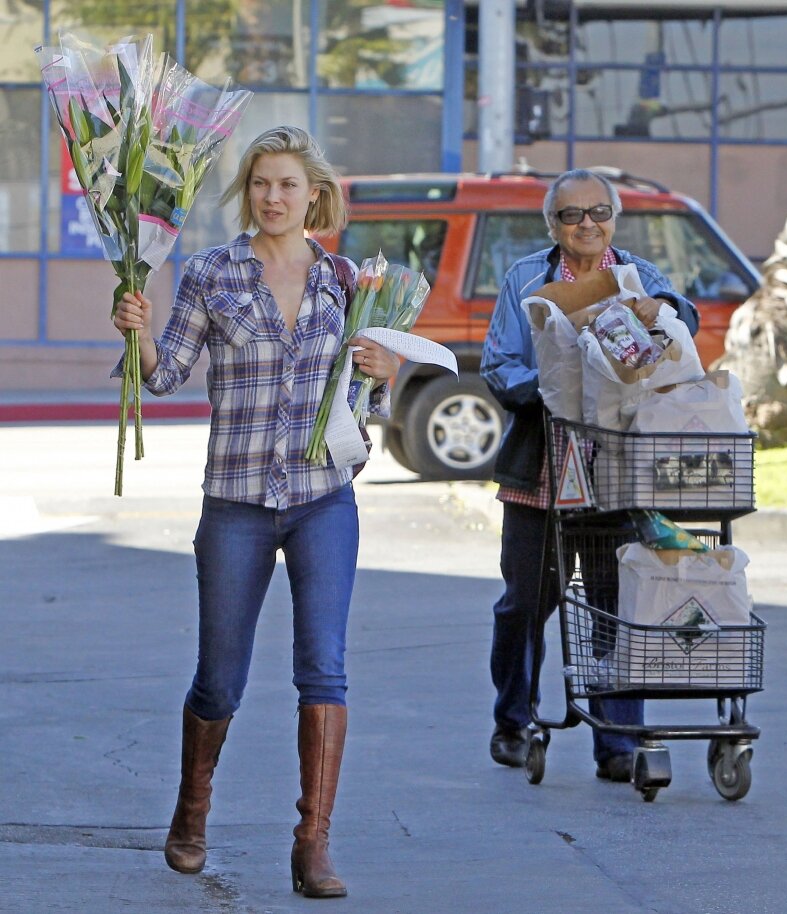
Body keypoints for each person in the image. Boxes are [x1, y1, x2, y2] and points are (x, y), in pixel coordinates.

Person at [113, 126, 399, 898]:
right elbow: (165, 374)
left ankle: (313, 846)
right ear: (249, 192)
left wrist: (386, 367)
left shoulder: (346, 280)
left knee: (324, 669)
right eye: (262, 184)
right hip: (236, 503)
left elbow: (364, 389)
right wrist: (136, 331)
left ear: (314, 196)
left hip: (323, 499)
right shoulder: (212, 272)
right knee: (219, 680)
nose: (273, 197)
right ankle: (192, 812)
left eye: (288, 185)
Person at [480, 168, 699, 780]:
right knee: (526, 602)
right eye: (571, 215)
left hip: (618, 471)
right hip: (541, 465)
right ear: (552, 224)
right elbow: (499, 368)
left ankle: (618, 738)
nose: (586, 225)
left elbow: (685, 323)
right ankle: (514, 720)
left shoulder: (638, 275)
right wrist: (561, 388)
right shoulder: (527, 277)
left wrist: (666, 308)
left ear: (614, 218)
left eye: (598, 213)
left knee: (616, 600)